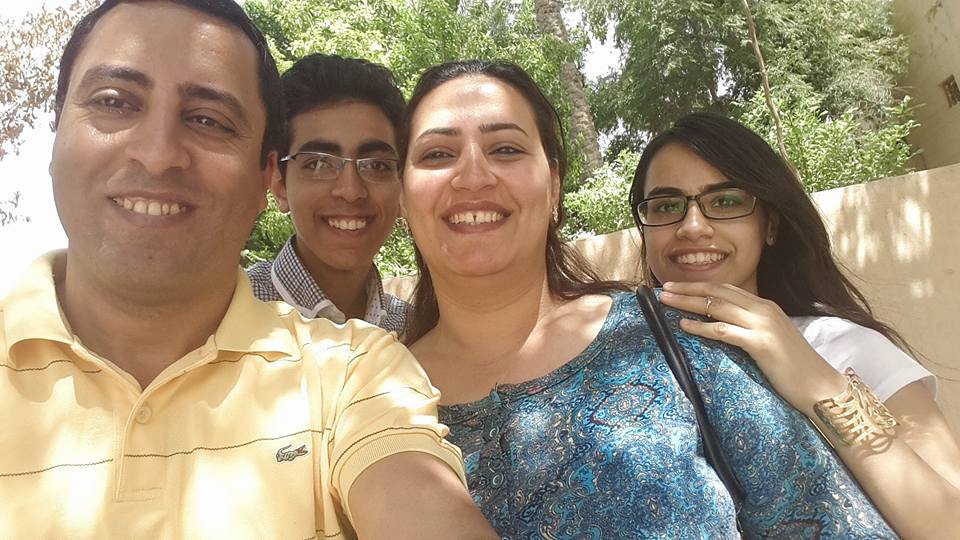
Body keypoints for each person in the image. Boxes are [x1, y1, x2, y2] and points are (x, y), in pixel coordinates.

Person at [0, 1, 497, 538]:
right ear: (276, 182)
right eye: (114, 102)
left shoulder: (373, 359)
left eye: (208, 120)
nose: (158, 153)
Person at [398, 59, 894, 537]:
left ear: (555, 185)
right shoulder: (373, 397)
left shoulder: (681, 338)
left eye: (505, 149)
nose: (473, 176)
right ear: (401, 197)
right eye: (437, 154)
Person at [629, 111, 960, 537]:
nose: (692, 227)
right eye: (666, 206)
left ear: (770, 225)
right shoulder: (619, 366)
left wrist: (818, 383)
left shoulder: (843, 345)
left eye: (726, 201)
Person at [247, 54, 409, 333]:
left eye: (377, 165)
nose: (351, 191)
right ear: (279, 185)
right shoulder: (227, 316)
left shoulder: (413, 331)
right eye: (319, 164)